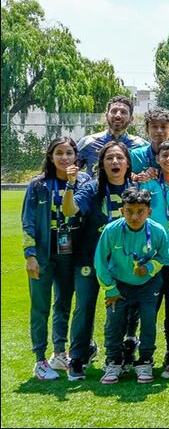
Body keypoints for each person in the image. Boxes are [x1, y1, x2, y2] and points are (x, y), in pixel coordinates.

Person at [64, 141, 136, 380]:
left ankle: (121, 353)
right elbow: (69, 210)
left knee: (122, 309)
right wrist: (70, 185)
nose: (115, 162)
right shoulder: (92, 188)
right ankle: (78, 356)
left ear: (127, 163)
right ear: (101, 164)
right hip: (89, 258)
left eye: (120, 158)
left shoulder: (134, 189)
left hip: (123, 262)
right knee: (84, 306)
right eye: (109, 158)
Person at [23, 136, 91, 380]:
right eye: (59, 153)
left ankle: (60, 352)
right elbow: (28, 221)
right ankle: (39, 360)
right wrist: (30, 255)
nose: (64, 158)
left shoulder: (83, 181)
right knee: (40, 307)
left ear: (76, 157)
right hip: (43, 252)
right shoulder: (38, 184)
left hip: (69, 251)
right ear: (51, 157)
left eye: (69, 153)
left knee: (63, 302)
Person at [94, 188, 169, 384]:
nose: (135, 217)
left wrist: (150, 267)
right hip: (119, 285)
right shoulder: (111, 230)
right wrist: (110, 289)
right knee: (113, 322)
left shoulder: (157, 231)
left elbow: (164, 257)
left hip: (147, 285)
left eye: (140, 211)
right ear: (122, 211)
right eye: (129, 211)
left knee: (149, 321)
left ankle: (145, 360)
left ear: (149, 212)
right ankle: (114, 361)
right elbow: (100, 262)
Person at [136, 140, 169, 378]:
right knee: (148, 311)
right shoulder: (146, 183)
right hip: (153, 258)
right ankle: (144, 356)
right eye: (164, 155)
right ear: (157, 159)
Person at [75, 95, 147, 174]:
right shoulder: (88, 142)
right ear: (106, 116)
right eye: (114, 111)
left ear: (131, 119)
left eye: (123, 112)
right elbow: (69, 169)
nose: (118, 116)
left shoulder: (141, 146)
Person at [129, 107, 169, 175]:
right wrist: (137, 178)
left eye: (163, 127)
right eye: (154, 126)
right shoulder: (135, 156)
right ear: (147, 129)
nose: (159, 131)